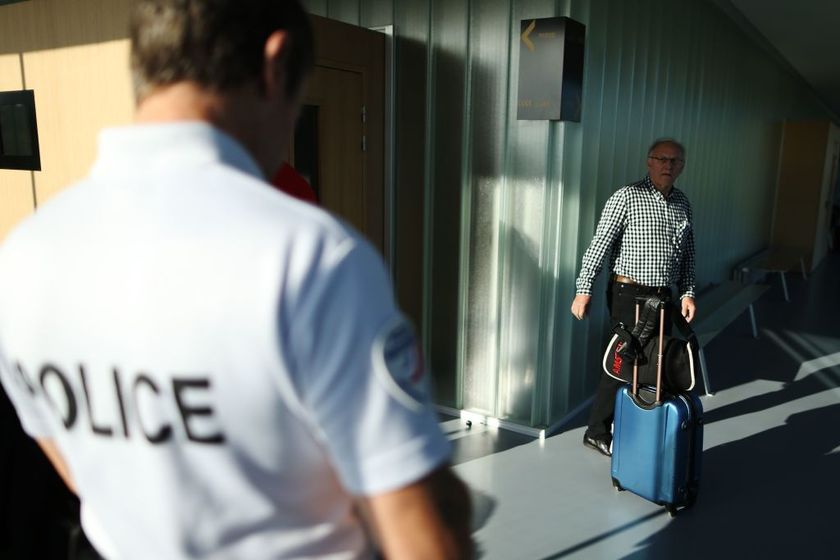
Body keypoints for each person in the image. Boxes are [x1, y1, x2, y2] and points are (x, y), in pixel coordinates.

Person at [0, 1, 472, 559]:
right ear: (276, 64)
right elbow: (420, 538)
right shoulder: (313, 258)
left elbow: (75, 466)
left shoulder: (24, 254)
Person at [571, 139, 697, 457]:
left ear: (682, 166)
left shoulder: (682, 203)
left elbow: (688, 257)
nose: (668, 165)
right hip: (629, 293)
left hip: (663, 297)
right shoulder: (627, 196)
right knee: (621, 362)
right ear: (649, 161)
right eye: (662, 159)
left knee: (656, 363)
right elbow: (599, 243)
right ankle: (596, 431)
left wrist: (688, 293)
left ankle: (643, 424)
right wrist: (583, 288)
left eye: (675, 161)